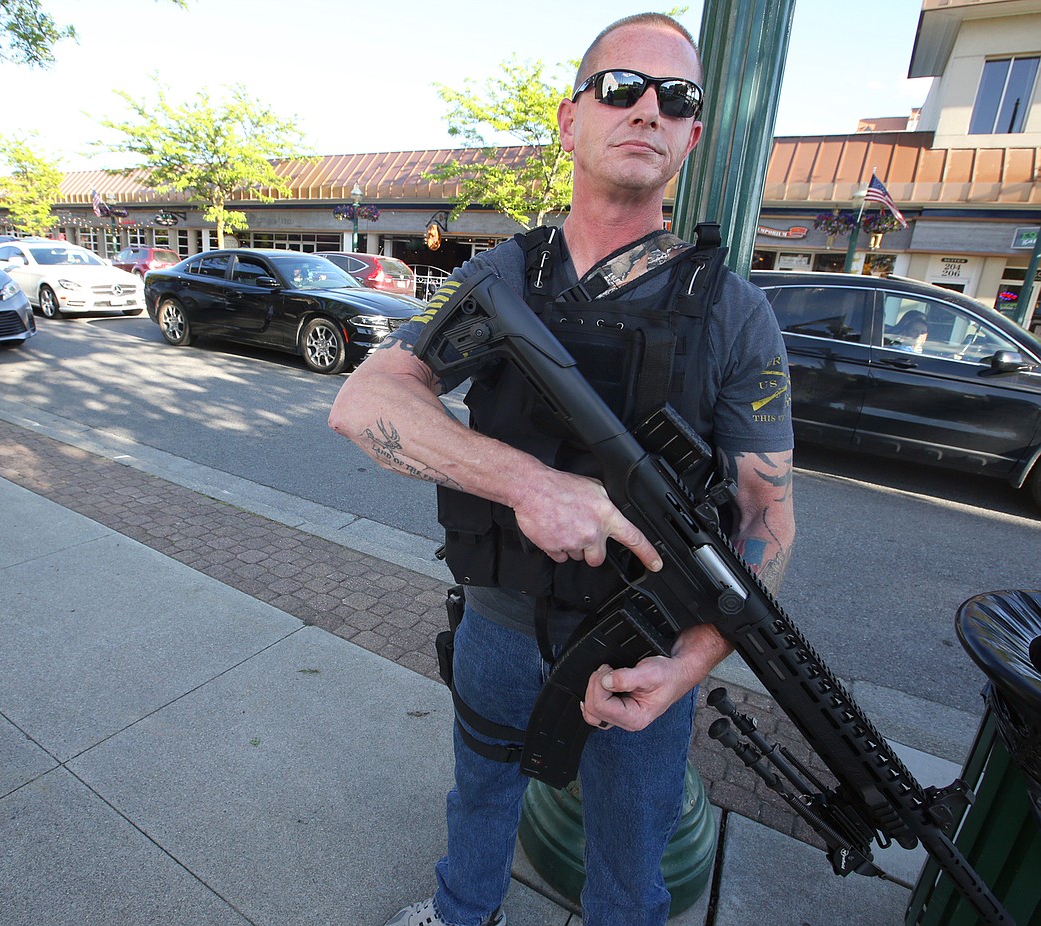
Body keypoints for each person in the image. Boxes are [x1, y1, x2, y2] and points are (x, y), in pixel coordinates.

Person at [329, 13, 796, 926]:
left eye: (677, 99)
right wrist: (530, 483)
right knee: (479, 800)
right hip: (499, 621)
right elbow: (365, 404)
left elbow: (767, 522)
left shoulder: (735, 314)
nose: (648, 111)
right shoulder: (506, 275)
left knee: (630, 857)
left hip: (647, 652)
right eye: (621, 87)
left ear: (693, 137)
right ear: (568, 117)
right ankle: (463, 912)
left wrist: (690, 664)